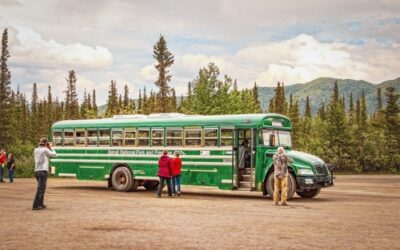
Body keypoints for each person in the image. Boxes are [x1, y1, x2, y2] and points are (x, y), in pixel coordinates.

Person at [32, 138, 57, 210]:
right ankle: (36, 205)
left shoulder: (36, 149)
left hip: (37, 171)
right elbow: (54, 154)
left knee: (41, 188)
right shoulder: (45, 150)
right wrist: (51, 148)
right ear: (46, 143)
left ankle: (40, 204)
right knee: (41, 189)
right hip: (43, 171)